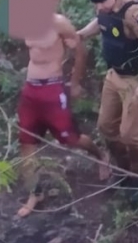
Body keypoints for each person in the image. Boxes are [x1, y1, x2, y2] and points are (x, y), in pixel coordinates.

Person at [16, 12, 110, 218]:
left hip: (53, 89)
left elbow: (80, 52)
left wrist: (75, 82)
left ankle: (101, 155)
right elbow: (34, 54)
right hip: (31, 90)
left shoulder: (58, 23)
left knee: (70, 139)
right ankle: (35, 193)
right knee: (26, 143)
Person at [77, 0, 138, 190]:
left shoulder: (135, 13)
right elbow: (101, 22)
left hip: (133, 80)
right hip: (113, 76)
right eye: (95, 3)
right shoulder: (105, 6)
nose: (99, 7)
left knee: (130, 136)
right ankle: (123, 170)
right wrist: (82, 35)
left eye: (102, 2)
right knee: (106, 127)